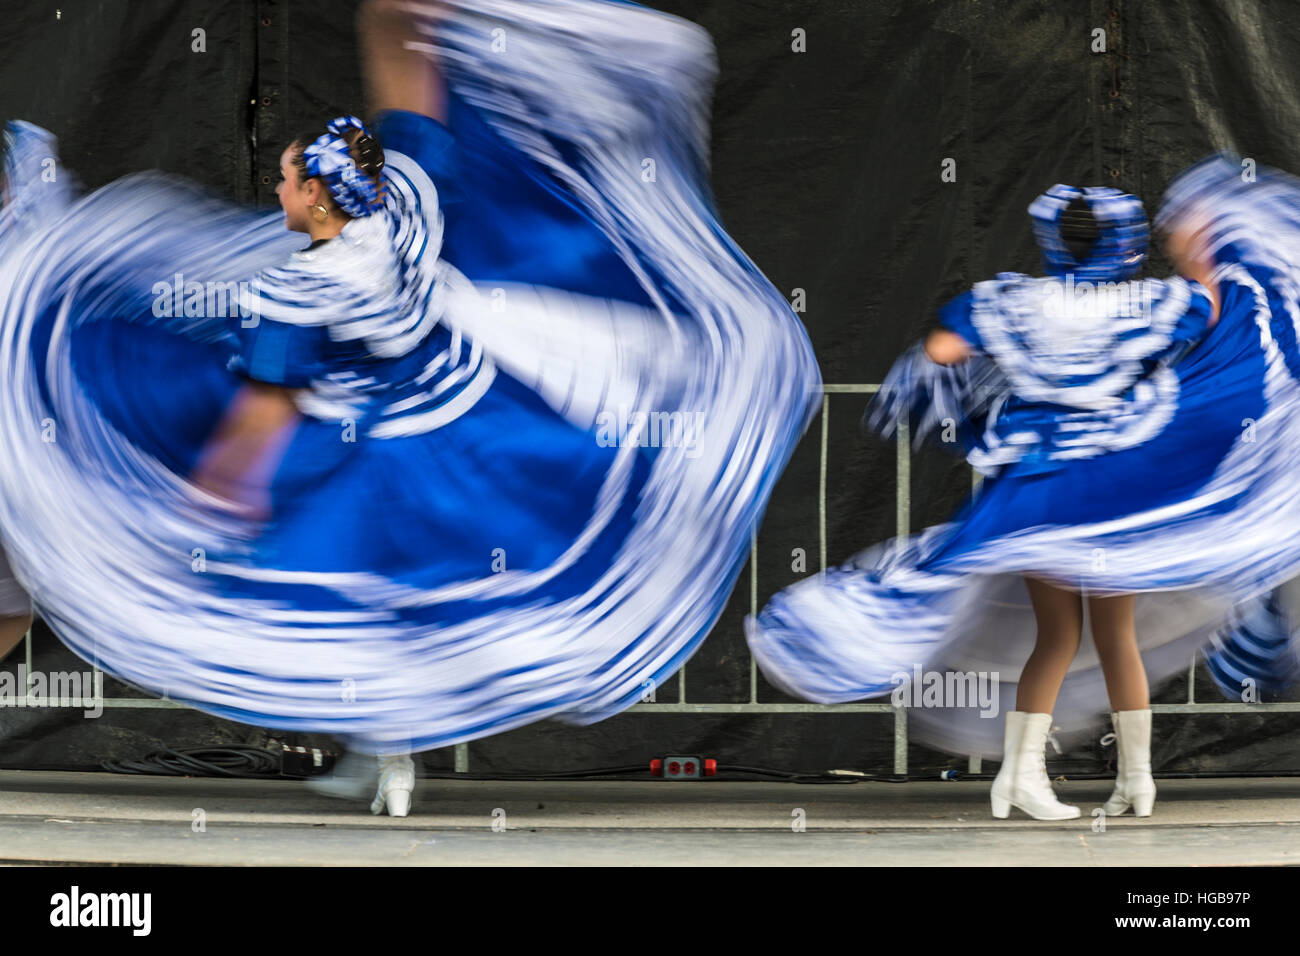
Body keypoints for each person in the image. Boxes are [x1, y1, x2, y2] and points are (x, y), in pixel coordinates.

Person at [0, 0, 820, 815]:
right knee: (408, 610)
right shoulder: (408, 208)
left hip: (373, 446)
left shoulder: (303, 287)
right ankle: (386, 752)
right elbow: (411, 110)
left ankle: (385, 751)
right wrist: (399, 20)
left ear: (319, 198)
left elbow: (268, 404)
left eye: (288, 178)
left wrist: (220, 491)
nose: (278, 188)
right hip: (465, 422)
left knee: (352, 597)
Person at [748, 178, 1300, 820]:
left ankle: (1018, 777)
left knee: (1057, 636)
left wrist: (993, 396)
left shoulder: (1011, 302)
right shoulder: (1156, 301)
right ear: (1125, 243)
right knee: (1115, 638)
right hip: (1114, 491)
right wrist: (1203, 244)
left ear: (1051, 239)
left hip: (1038, 493)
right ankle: (1135, 782)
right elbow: (1216, 309)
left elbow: (938, 353)